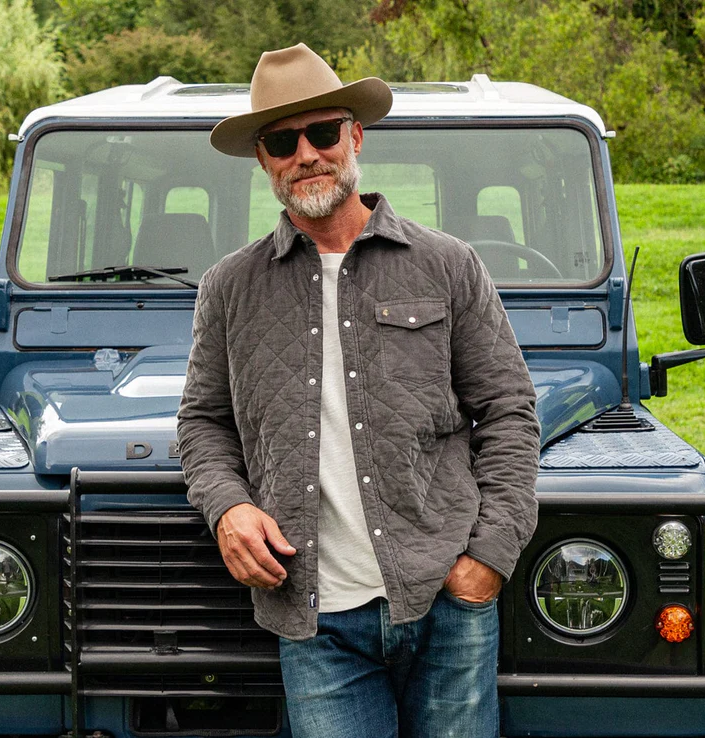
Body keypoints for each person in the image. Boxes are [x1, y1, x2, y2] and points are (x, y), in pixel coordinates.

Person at [177, 43, 540, 738]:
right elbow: (203, 421)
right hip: (313, 614)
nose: (307, 154)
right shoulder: (230, 287)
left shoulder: (447, 265)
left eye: (323, 132)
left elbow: (508, 411)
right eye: (282, 141)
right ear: (263, 161)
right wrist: (228, 508)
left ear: (356, 137)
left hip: (447, 598)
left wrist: (488, 558)